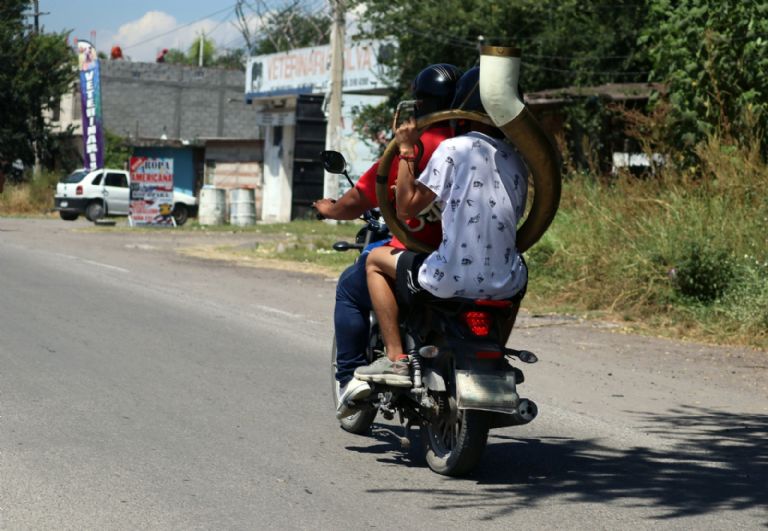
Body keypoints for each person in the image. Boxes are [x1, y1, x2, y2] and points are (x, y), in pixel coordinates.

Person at [355, 66, 529, 384]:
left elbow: (407, 207)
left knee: (374, 262)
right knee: (521, 270)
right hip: (506, 282)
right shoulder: (517, 159)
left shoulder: (454, 148)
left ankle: (395, 359)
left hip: (450, 275)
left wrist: (407, 152)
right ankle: (497, 351)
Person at [313, 64, 462, 418]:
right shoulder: (480, 145)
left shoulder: (416, 146)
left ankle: (352, 376)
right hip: (473, 261)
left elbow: (361, 198)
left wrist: (331, 210)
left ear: (421, 104)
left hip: (418, 259)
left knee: (351, 286)